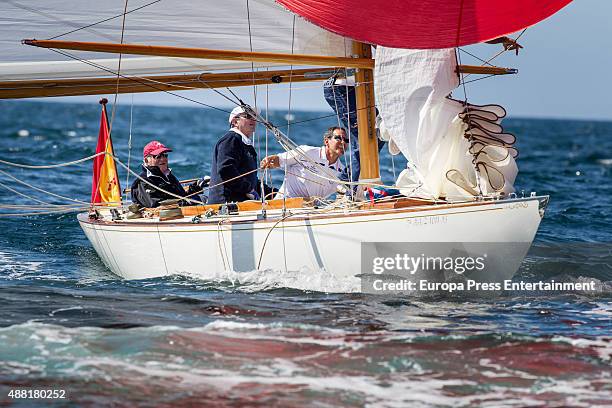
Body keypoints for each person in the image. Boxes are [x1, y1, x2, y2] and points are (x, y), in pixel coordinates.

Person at [208, 106, 275, 204]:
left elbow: (250, 180)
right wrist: (248, 190)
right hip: (225, 205)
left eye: (254, 116)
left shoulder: (245, 144)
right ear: (235, 122)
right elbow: (226, 169)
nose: (253, 119)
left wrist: (274, 193)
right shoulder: (231, 140)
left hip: (241, 204)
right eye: (248, 116)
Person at [260, 126, 347, 199]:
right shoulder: (306, 152)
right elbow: (280, 160)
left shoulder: (342, 172)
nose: (343, 142)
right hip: (285, 205)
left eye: (346, 140)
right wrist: (270, 161)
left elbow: (345, 192)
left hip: (312, 211)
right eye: (338, 138)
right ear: (326, 141)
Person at [130, 140, 204, 208]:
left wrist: (194, 189)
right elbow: (157, 206)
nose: (163, 159)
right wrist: (189, 201)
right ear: (146, 160)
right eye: (158, 156)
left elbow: (180, 197)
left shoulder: (169, 176)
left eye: (165, 155)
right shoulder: (143, 182)